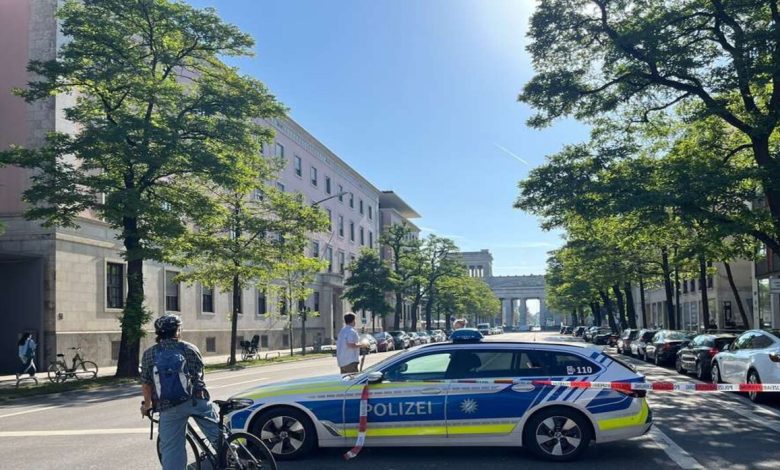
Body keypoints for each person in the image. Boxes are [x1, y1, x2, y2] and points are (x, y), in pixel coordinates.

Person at [140, 314, 220, 470]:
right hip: (197, 401)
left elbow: (146, 383)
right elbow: (199, 376)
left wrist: (147, 405)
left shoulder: (150, 354)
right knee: (216, 433)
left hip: (169, 407)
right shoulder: (189, 348)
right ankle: (232, 457)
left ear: (158, 333)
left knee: (171, 449)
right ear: (177, 331)